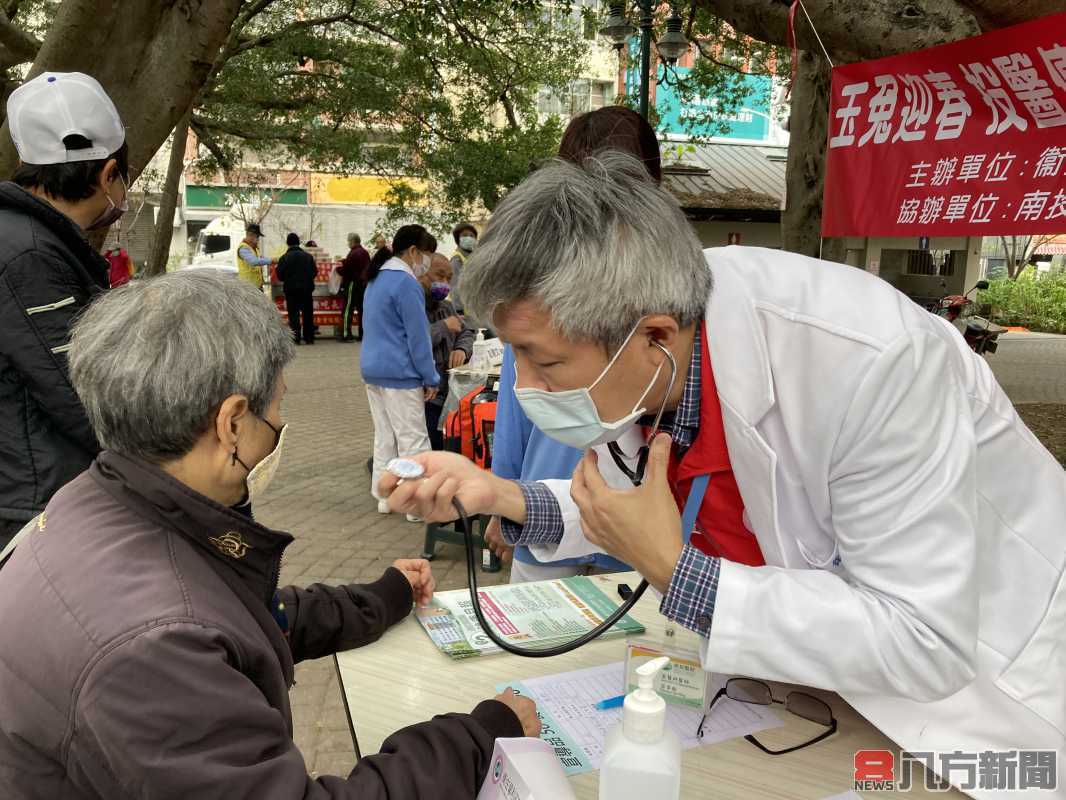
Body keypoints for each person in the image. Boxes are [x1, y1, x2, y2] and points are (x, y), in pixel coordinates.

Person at [383, 153, 1066, 797]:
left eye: (544, 363)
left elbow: (925, 637)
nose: (524, 389)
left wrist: (678, 574)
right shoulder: (660, 343)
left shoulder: (873, 363)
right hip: (817, 700)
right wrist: (496, 492)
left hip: (985, 703)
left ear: (652, 335)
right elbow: (629, 503)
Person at [0, 269, 538, 798]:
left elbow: (237, 615)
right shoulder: (153, 648)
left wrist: (381, 597)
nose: (281, 424)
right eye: (277, 405)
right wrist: (481, 736)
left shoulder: (102, 500)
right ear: (232, 422)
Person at [488, 106, 659, 582]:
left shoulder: (673, 288)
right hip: (553, 511)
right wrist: (505, 496)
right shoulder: (535, 281)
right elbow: (516, 401)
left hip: (636, 529)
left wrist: (506, 494)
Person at [0, 71, 129, 549]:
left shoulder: (25, 239)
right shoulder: (30, 256)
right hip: (33, 507)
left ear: (24, 161)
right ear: (108, 174)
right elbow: (81, 395)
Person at [361, 225, 440, 517]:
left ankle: (384, 497)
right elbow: (417, 337)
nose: (427, 263)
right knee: (414, 440)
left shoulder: (376, 279)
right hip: (400, 373)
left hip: (372, 370)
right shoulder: (407, 284)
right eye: (427, 255)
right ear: (414, 252)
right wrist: (431, 376)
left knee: (385, 438)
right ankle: (414, 505)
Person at [420, 253, 473, 450]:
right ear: (422, 273)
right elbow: (413, 342)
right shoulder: (414, 306)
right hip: (426, 396)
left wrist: (461, 349)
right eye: (439, 276)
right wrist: (443, 326)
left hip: (448, 393)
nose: (444, 283)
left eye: (448, 279)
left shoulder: (447, 306)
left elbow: (467, 333)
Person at [276, 232, 317, 345]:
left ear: (287, 244)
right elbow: (314, 272)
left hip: (291, 290)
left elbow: (279, 275)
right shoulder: (308, 257)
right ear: (298, 243)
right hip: (306, 290)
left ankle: (296, 338)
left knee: (293, 314)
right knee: (307, 313)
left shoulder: (284, 258)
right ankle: (309, 337)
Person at [338, 232, 370, 341]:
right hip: (363, 284)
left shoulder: (352, 254)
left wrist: (338, 269)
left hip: (352, 284)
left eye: (348, 241)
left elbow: (346, 270)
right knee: (362, 310)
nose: (348, 243)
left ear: (352, 241)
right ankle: (363, 334)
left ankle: (346, 334)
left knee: (348, 309)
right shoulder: (365, 253)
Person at [449, 222, 477, 313]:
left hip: (475, 310)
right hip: (463, 313)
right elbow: (455, 287)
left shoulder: (473, 257)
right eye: (465, 235)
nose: (469, 238)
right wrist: (459, 310)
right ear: (458, 239)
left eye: (472, 236)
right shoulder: (457, 259)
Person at [236, 223, 270, 288]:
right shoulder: (243, 248)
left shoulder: (254, 248)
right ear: (250, 235)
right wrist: (271, 260)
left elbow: (260, 259)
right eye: (257, 236)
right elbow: (254, 261)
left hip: (256, 287)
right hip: (247, 288)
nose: (258, 239)